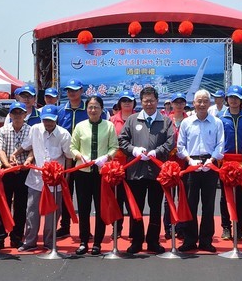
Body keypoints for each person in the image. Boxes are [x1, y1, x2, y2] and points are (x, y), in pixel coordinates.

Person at [119, 87, 174, 254]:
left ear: (157, 101)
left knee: (156, 208)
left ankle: (153, 241)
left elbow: (171, 141)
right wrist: (134, 150)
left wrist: (157, 152)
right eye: (145, 101)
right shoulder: (132, 120)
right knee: (136, 208)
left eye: (151, 100)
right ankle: (137, 241)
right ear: (140, 102)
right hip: (136, 172)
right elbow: (122, 140)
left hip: (157, 173)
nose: (149, 104)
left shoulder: (165, 121)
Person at [11, 105, 73, 252]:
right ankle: (30, 240)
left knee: (53, 213)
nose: (48, 123)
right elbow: (26, 145)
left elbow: (69, 158)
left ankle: (49, 241)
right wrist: (15, 153)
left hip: (55, 180)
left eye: (51, 120)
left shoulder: (63, 134)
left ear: (56, 120)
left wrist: (66, 178)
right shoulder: (36, 129)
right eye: (45, 120)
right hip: (36, 178)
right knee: (31, 210)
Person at [177, 89, 225, 253]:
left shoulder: (217, 122)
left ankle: (206, 240)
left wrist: (211, 160)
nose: (202, 104)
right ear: (194, 103)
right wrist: (189, 160)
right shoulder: (186, 122)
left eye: (205, 101)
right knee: (190, 204)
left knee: (208, 205)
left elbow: (220, 145)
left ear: (209, 103)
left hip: (210, 165)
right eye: (199, 101)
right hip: (191, 164)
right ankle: (190, 239)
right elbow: (180, 146)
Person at [71, 96, 118, 256]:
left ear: (102, 109)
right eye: (90, 107)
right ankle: (84, 241)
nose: (93, 110)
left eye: (96, 107)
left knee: (100, 208)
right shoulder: (80, 126)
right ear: (87, 109)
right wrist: (79, 156)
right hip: (82, 173)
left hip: (101, 174)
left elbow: (114, 147)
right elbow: (72, 147)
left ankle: (97, 242)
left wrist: (106, 158)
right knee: (83, 208)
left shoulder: (109, 126)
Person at [218, 85, 242, 240]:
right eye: (231, 97)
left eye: (237, 98)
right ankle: (226, 227)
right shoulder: (220, 117)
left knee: (241, 196)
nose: (234, 101)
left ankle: (239, 227)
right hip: (225, 161)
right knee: (225, 196)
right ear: (227, 99)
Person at [0, 101, 33, 250]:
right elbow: (0, 150)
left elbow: (33, 149)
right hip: (7, 172)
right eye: (14, 113)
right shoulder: (3, 131)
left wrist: (28, 160)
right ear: (10, 115)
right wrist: (8, 165)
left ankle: (17, 237)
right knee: (3, 205)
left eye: (20, 113)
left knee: (21, 206)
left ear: (25, 114)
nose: (17, 116)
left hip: (24, 171)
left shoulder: (30, 130)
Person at [56, 79, 89, 239]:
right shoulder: (61, 111)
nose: (72, 93)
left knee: (84, 196)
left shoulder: (88, 109)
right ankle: (65, 226)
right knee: (65, 194)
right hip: (66, 160)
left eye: (75, 90)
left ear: (81, 91)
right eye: (69, 90)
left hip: (85, 159)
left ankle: (86, 228)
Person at [109, 89, 137, 238]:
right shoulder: (112, 120)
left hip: (135, 166)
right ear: (119, 103)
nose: (127, 103)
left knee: (133, 200)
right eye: (124, 100)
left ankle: (134, 231)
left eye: (129, 100)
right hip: (117, 167)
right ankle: (117, 228)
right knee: (117, 199)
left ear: (134, 103)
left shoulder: (139, 118)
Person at [162, 92, 189, 239]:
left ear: (185, 104)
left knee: (183, 197)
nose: (179, 105)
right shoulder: (166, 120)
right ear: (171, 104)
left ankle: (182, 227)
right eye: (176, 102)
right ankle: (168, 226)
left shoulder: (189, 119)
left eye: (181, 102)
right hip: (169, 164)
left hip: (184, 163)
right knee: (169, 198)